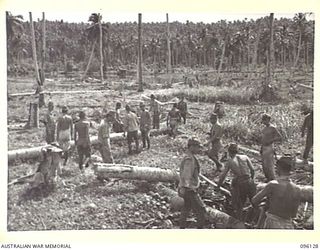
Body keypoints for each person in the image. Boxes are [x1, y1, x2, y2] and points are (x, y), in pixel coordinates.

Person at [251, 156, 301, 229]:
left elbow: (254, 201)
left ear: (279, 168)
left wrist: (267, 203)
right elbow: (293, 214)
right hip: (287, 226)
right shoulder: (297, 189)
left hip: (273, 224)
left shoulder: (273, 185)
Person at [216, 143, 256, 220]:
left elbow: (223, 175)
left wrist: (218, 186)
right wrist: (251, 180)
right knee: (254, 201)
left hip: (240, 183)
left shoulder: (229, 162)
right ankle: (255, 219)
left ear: (229, 152)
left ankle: (239, 220)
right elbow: (253, 170)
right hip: (249, 180)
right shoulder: (245, 157)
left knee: (239, 205)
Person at [178, 138, 206, 229]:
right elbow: (186, 175)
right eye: (197, 147)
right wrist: (187, 187)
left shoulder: (190, 157)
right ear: (192, 147)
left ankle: (182, 228)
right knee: (201, 210)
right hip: (189, 189)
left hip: (187, 189)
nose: (199, 149)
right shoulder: (189, 159)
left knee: (186, 209)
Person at [260, 114, 282, 181]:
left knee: (269, 164)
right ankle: (267, 178)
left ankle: (272, 178)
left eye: (265, 120)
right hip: (264, 147)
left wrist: (271, 141)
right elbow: (263, 139)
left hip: (269, 147)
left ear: (268, 120)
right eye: (263, 120)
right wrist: (261, 148)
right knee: (264, 164)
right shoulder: (264, 128)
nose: (263, 121)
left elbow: (279, 137)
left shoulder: (272, 128)